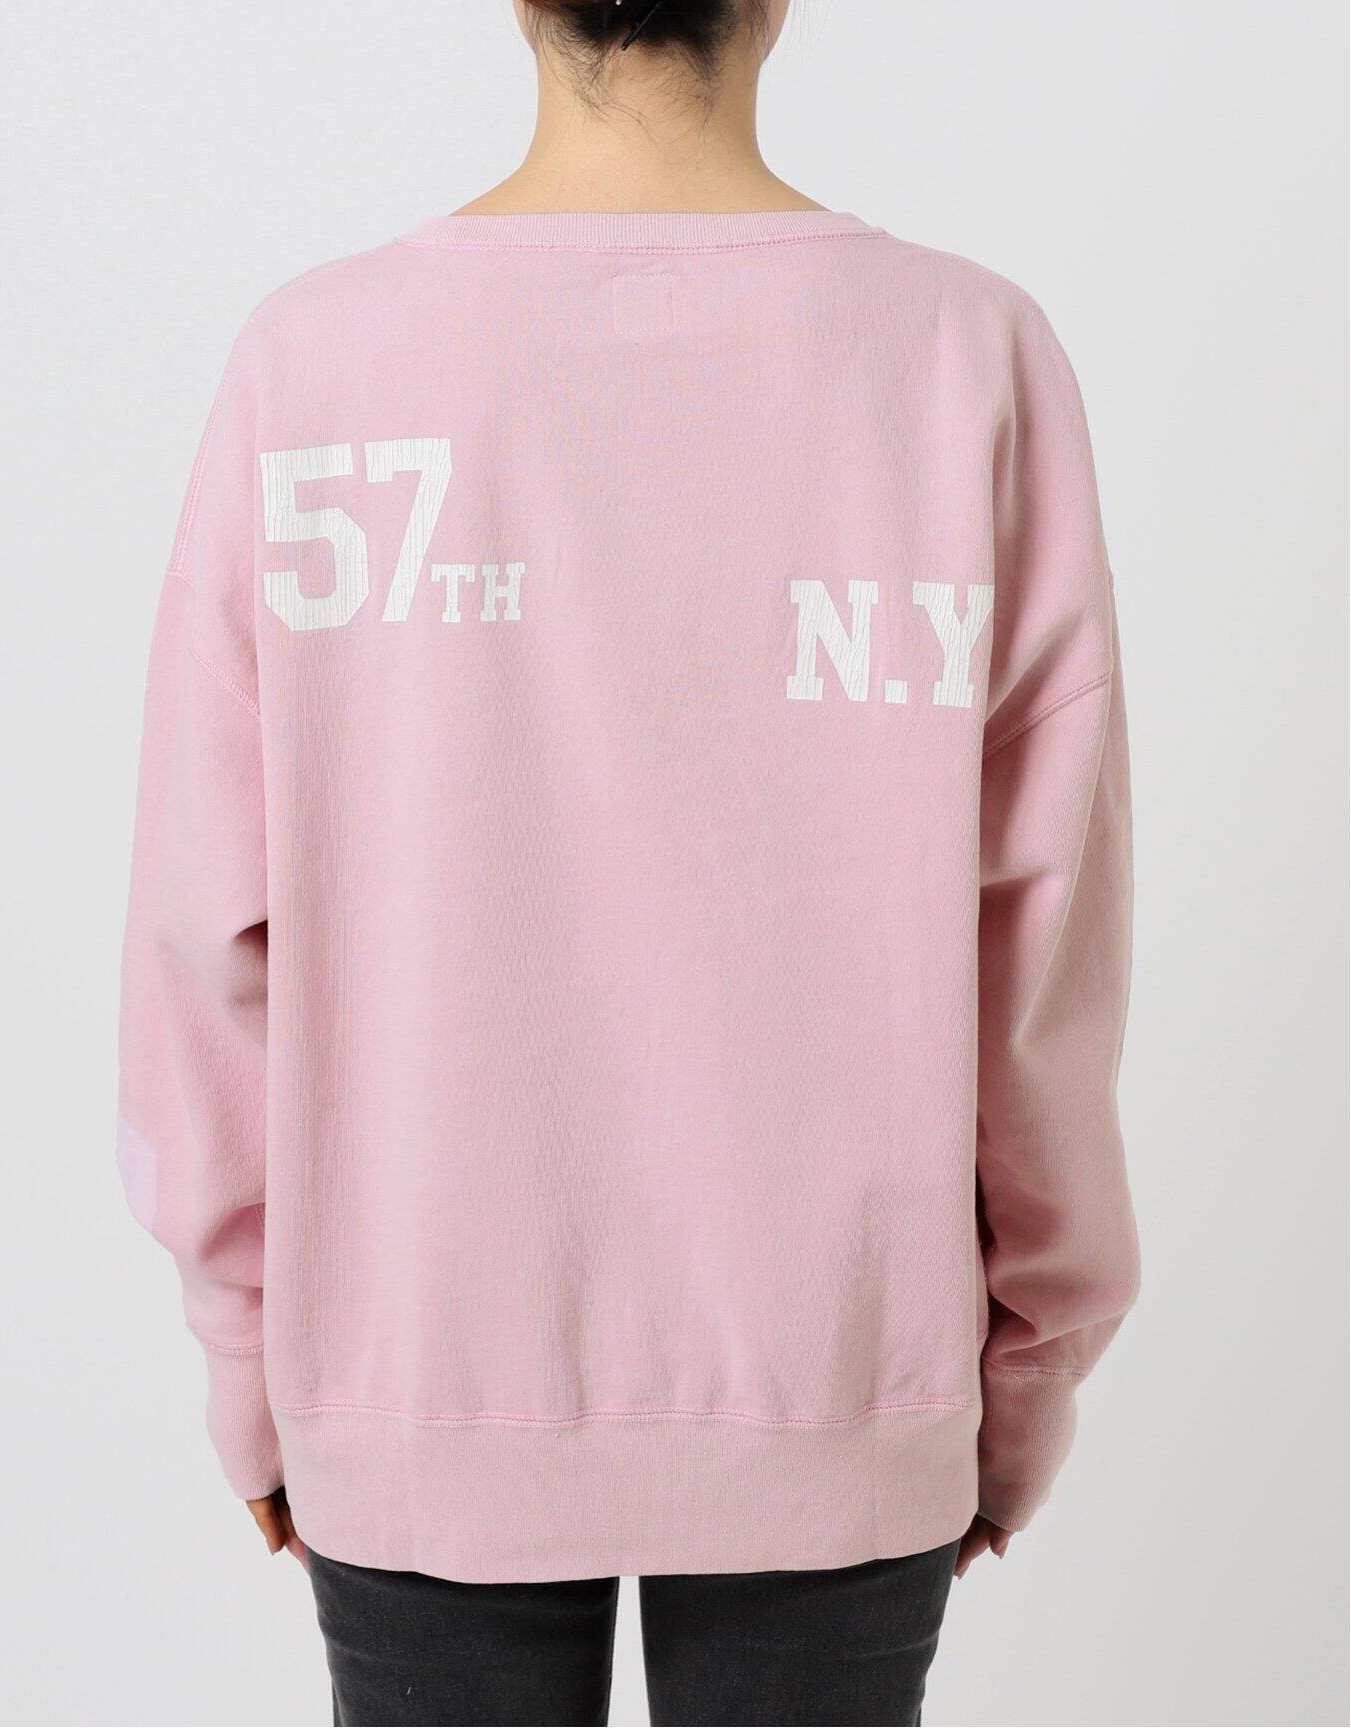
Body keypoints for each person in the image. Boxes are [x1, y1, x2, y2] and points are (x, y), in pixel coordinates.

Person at [116, 1, 1138, 1721]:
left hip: (413, 1363)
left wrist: (250, 1351)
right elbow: (1042, 949)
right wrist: (1025, 1371)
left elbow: (204, 933)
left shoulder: (316, 364)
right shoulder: (971, 358)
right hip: (839, 1370)